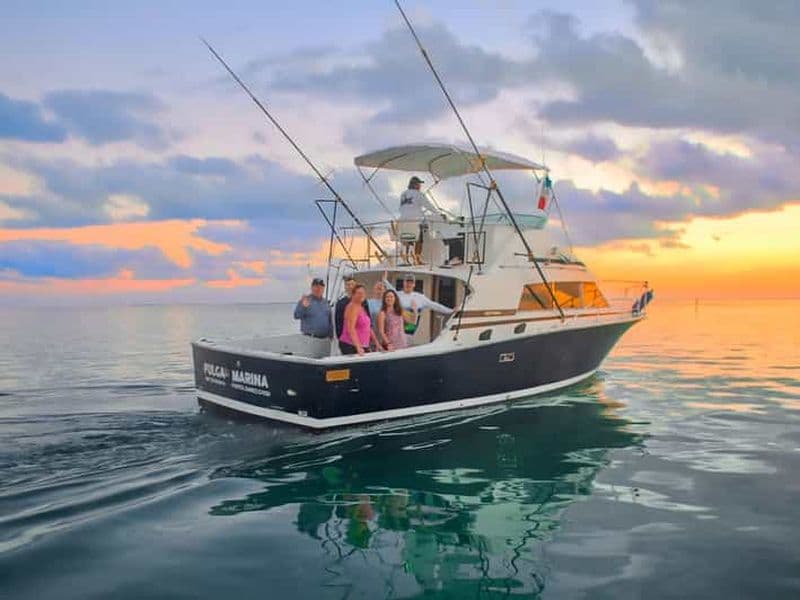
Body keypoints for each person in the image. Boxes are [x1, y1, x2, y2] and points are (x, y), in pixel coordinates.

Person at [383, 273, 453, 338]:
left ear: (414, 284)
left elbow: (435, 305)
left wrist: (450, 311)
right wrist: (385, 280)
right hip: (397, 324)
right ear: (403, 283)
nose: (408, 284)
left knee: (406, 338)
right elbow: (390, 288)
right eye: (407, 282)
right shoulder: (397, 294)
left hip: (410, 325)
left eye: (411, 283)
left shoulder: (420, 297)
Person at [398, 176, 443, 264]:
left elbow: (401, 209)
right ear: (415, 185)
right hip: (415, 222)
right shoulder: (418, 194)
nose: (420, 186)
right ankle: (417, 259)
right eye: (419, 184)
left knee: (407, 238)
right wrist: (438, 213)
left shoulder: (403, 194)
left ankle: (406, 258)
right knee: (419, 239)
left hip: (402, 223)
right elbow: (429, 206)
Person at [339, 284, 376, 355]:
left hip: (363, 345)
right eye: (359, 293)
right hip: (351, 345)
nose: (362, 295)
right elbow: (351, 328)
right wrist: (358, 347)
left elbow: (368, 327)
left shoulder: (361, 307)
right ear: (353, 294)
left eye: (363, 293)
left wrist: (377, 343)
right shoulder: (352, 307)